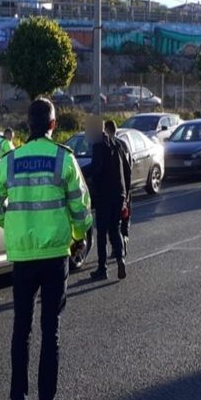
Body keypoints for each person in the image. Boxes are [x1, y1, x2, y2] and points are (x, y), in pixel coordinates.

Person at [0, 98, 92, 400]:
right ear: (53, 125)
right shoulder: (63, 158)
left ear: (27, 125)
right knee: (50, 330)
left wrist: (13, 225)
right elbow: (81, 208)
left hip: (22, 258)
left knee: (21, 329)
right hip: (55, 255)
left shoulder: (11, 160)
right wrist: (78, 236)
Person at [81, 116, 127, 281]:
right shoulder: (116, 144)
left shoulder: (99, 145)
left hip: (105, 194)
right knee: (115, 228)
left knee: (101, 233)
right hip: (119, 193)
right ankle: (120, 259)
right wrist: (125, 195)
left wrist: (80, 172)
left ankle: (102, 268)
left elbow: (96, 167)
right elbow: (125, 169)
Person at [104, 119, 132, 256]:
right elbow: (128, 169)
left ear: (107, 130)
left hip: (115, 191)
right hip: (124, 190)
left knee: (114, 223)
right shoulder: (123, 144)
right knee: (123, 219)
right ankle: (123, 240)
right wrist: (127, 191)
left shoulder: (112, 146)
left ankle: (118, 248)